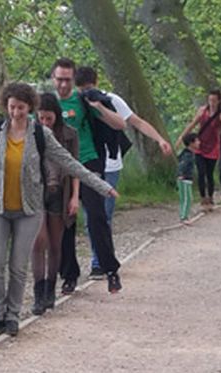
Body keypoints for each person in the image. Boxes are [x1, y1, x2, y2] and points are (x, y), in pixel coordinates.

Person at [0, 83, 117, 336]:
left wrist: (102, 186)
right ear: (6, 106)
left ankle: (12, 317)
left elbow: (70, 163)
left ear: (30, 108)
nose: (16, 113)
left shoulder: (40, 135)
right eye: (12, 107)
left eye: (21, 108)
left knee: (17, 267)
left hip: (29, 210)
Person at [73, 66, 173, 280]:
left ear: (96, 83)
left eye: (89, 88)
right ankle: (99, 258)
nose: (86, 93)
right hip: (86, 164)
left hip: (109, 165)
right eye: (82, 90)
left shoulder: (111, 100)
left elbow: (135, 122)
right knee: (91, 216)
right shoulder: (75, 104)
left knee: (103, 215)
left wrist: (160, 139)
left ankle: (99, 262)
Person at [51, 58, 127, 294]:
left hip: (87, 161)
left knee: (96, 216)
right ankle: (69, 275)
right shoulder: (47, 103)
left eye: (67, 80)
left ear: (74, 80)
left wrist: (99, 107)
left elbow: (119, 125)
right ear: (52, 79)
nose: (63, 85)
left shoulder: (84, 100)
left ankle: (110, 269)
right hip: (60, 167)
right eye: (59, 79)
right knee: (65, 222)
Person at [30, 93, 81, 316]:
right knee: (38, 241)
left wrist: (74, 197)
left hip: (59, 192)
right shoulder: (30, 133)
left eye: (49, 119)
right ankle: (38, 292)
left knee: (55, 244)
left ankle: (50, 289)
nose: (45, 123)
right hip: (36, 194)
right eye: (41, 118)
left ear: (56, 117)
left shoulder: (70, 135)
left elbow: (75, 167)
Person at [176, 90, 221, 212]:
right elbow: (192, 124)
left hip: (213, 147)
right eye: (210, 100)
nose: (212, 103)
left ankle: (211, 198)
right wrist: (181, 137)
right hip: (200, 145)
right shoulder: (202, 111)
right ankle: (203, 198)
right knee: (201, 173)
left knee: (209, 174)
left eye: (214, 100)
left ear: (219, 101)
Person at [177, 133, 200, 224]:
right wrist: (181, 174)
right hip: (185, 179)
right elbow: (183, 165)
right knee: (187, 198)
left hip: (184, 178)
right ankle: (184, 217)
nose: (199, 142)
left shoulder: (185, 153)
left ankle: (183, 215)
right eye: (197, 141)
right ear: (191, 143)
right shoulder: (188, 155)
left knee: (184, 198)